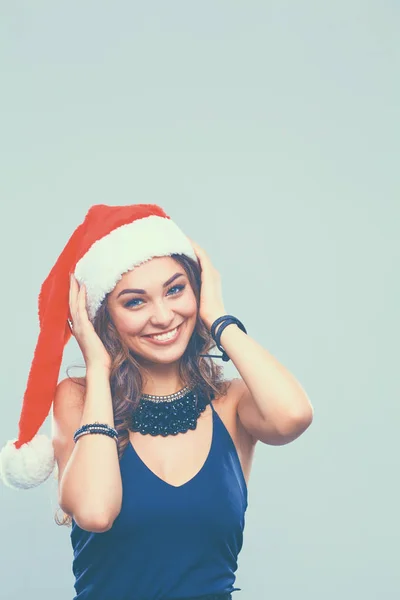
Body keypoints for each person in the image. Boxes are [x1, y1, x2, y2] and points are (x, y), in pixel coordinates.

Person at [0, 204, 314, 600]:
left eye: (175, 289)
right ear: (105, 317)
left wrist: (217, 317)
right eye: (135, 302)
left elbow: (294, 416)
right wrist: (98, 367)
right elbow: (96, 512)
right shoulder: (79, 398)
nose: (163, 316)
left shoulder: (231, 401)